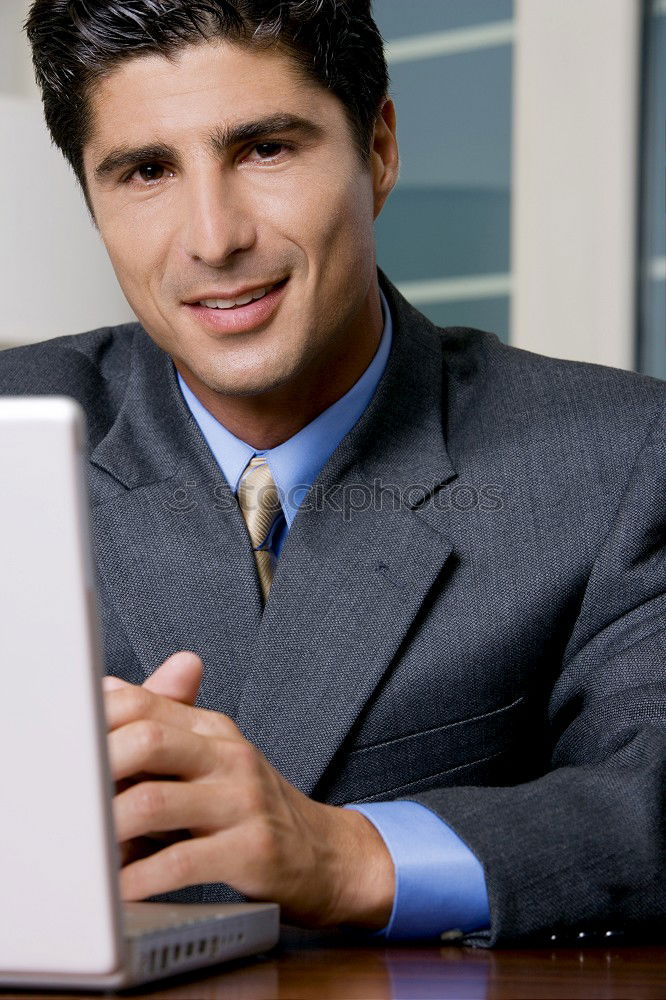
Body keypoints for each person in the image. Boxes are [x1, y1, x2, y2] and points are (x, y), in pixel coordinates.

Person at [3, 0, 664, 946]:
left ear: (380, 149)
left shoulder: (622, 456)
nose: (213, 236)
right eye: (146, 171)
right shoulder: (14, 431)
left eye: (265, 149)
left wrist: (343, 855)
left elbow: (648, 802)